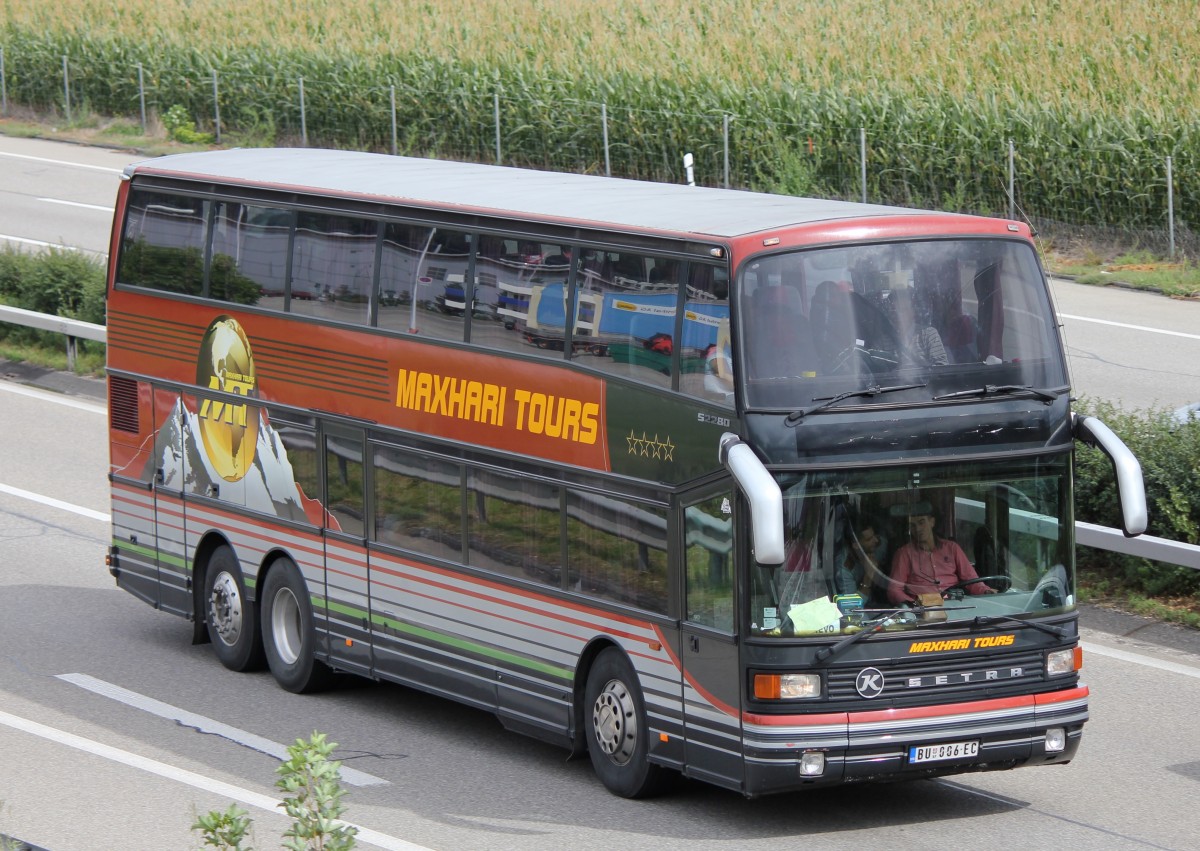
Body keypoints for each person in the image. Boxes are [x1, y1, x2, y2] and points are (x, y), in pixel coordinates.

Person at [887, 505, 996, 604]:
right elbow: (894, 590)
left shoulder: (952, 548)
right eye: (912, 525)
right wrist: (913, 605)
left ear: (932, 522)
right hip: (923, 610)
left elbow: (971, 580)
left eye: (921, 522)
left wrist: (986, 591)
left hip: (956, 604)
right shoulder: (904, 554)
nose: (918, 529)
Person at [834, 513, 888, 601]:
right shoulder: (843, 567)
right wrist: (868, 576)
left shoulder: (878, 546)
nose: (876, 540)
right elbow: (853, 605)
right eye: (869, 539)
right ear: (856, 545)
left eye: (874, 536)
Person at [889, 287, 947, 366]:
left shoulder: (929, 334)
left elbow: (943, 370)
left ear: (912, 311)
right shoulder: (883, 340)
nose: (897, 315)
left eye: (902, 310)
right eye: (893, 311)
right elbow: (878, 373)